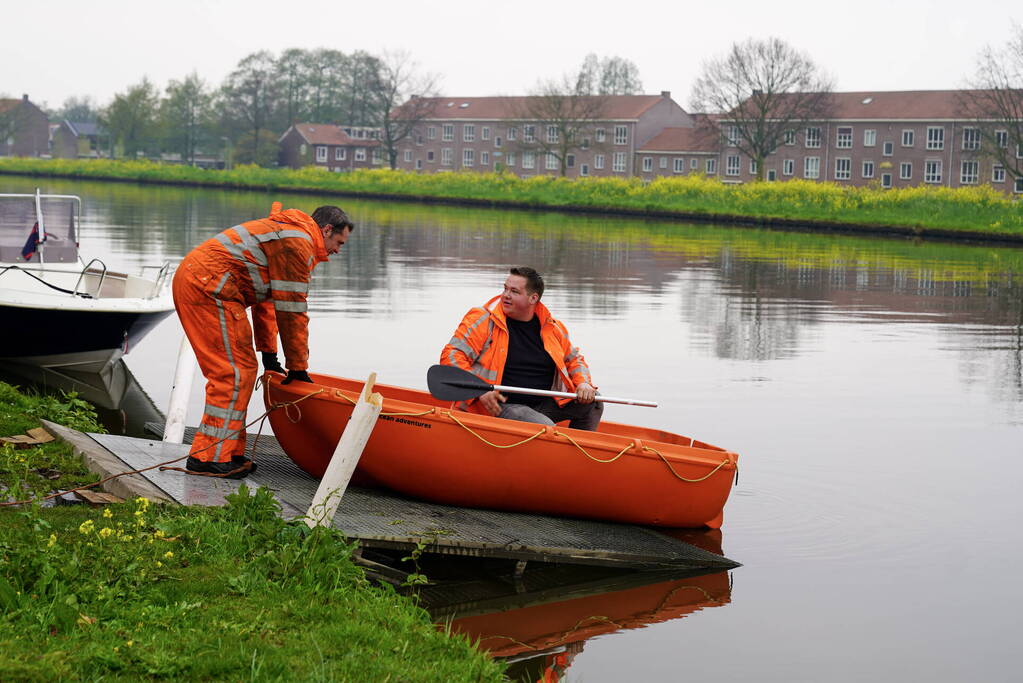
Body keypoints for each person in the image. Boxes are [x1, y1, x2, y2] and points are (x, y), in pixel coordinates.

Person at [172, 202, 354, 478]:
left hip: (209, 284)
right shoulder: (298, 243)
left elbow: (267, 303)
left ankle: (226, 452)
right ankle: (207, 457)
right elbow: (292, 310)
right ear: (327, 230)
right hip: (208, 287)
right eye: (339, 241)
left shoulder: (291, 234)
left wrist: (269, 355)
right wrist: (298, 368)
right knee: (231, 373)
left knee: (242, 370)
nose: (338, 250)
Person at [440, 266, 602, 430]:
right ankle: (555, 447)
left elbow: (574, 359)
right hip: (498, 406)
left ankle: (577, 451)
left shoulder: (552, 327)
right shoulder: (483, 319)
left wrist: (583, 384)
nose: (505, 295)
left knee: (594, 402)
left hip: (540, 405)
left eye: (514, 291)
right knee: (544, 427)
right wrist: (479, 389)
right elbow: (452, 355)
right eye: (505, 288)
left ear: (533, 298)